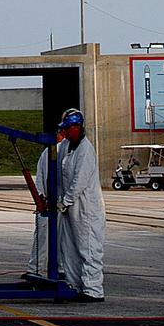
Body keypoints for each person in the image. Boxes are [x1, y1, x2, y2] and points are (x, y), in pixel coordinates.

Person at [57, 107, 106, 302]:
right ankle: (75, 285)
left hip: (86, 208)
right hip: (70, 208)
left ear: (77, 127)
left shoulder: (85, 149)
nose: (65, 133)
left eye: (68, 129)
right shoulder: (67, 147)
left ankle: (93, 289)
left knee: (88, 247)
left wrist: (66, 201)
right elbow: (62, 177)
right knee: (69, 248)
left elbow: (80, 180)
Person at [27, 127, 64, 277]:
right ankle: (41, 268)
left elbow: (41, 176)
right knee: (50, 238)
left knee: (44, 238)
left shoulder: (48, 152)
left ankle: (38, 268)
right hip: (52, 202)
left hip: (49, 200)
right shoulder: (57, 151)